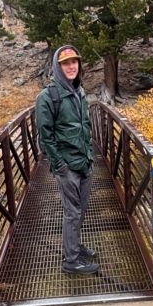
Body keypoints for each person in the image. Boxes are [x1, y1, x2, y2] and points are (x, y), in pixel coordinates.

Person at [36, 45, 99, 275]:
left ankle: (74, 246)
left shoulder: (79, 91)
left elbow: (86, 126)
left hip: (85, 162)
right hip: (68, 167)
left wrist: (90, 155)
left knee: (80, 210)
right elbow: (45, 136)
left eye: (74, 62)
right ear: (57, 66)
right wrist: (60, 166)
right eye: (65, 63)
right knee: (72, 212)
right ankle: (71, 262)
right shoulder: (47, 97)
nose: (71, 66)